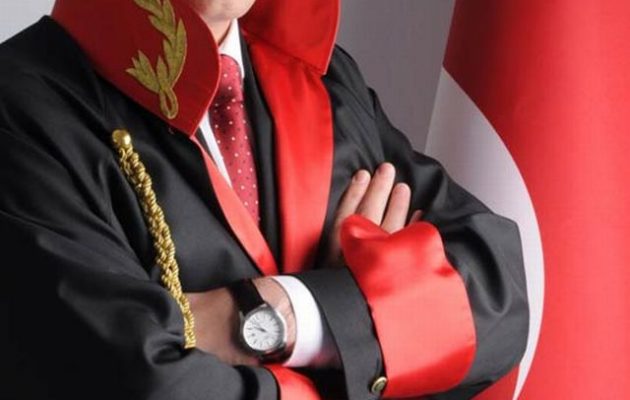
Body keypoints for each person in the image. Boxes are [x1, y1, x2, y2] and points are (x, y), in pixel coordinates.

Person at [0, 0, 529, 399]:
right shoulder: (20, 107)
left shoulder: (327, 83)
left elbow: (496, 294)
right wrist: (373, 337)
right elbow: (136, 383)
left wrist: (273, 315)